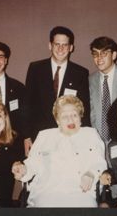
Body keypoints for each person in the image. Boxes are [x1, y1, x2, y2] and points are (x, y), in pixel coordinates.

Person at [12, 95, 107, 207]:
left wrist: (91, 174)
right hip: (47, 191)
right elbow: (33, 163)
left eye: (74, 115)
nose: (70, 120)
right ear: (57, 120)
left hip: (81, 192)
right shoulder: (44, 136)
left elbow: (99, 163)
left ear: (80, 117)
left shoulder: (90, 134)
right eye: (65, 116)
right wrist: (24, 169)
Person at [24, 26, 91, 155]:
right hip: (40, 136)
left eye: (65, 45)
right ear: (50, 45)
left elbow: (84, 110)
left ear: (71, 47)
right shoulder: (35, 69)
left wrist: (83, 140)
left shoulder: (80, 73)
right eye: (57, 44)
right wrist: (27, 136)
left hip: (69, 137)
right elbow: (27, 105)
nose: (61, 49)